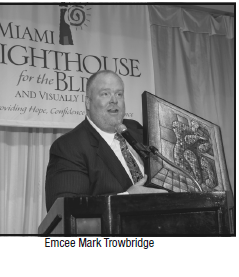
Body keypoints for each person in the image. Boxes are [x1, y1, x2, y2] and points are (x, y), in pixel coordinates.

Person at [45, 70, 166, 211]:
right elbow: (65, 209)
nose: (114, 100)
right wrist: (126, 198)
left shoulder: (137, 130)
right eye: (105, 94)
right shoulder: (69, 147)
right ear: (88, 103)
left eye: (119, 94)